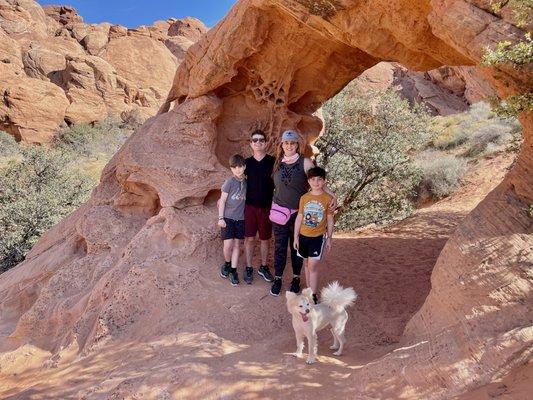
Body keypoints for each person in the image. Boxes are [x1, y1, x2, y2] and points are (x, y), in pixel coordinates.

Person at [269, 130, 315, 297]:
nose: (289, 146)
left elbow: (317, 182)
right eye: (286, 143)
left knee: (296, 248)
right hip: (279, 214)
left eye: (292, 143)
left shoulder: (305, 162)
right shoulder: (276, 163)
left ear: (297, 145)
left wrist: (332, 196)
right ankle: (278, 278)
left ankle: (296, 278)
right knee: (280, 248)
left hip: (298, 214)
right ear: (282, 144)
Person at [293, 167, 334, 304]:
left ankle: (313, 296)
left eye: (319, 179)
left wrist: (329, 237)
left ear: (324, 181)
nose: (316, 182)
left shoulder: (328, 199)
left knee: (313, 266)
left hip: (318, 237)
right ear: (308, 181)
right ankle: (308, 291)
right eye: (313, 179)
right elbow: (299, 217)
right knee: (306, 263)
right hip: (303, 236)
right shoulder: (304, 198)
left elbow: (329, 219)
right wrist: (295, 236)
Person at [243, 130, 275, 284]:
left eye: (261, 140)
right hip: (249, 207)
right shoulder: (246, 163)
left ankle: (263, 266)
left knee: (265, 239)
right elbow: (237, 181)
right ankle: (249, 267)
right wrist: (224, 197)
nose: (258, 142)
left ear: (266, 142)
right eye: (254, 140)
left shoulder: (273, 161)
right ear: (250, 143)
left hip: (267, 207)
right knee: (249, 238)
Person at [218, 154, 247, 286]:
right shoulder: (229, 182)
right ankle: (227, 263)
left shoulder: (247, 182)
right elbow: (222, 200)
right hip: (228, 218)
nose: (238, 169)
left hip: (241, 219)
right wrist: (221, 218)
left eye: (240, 166)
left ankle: (234, 271)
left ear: (244, 167)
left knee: (237, 245)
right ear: (231, 169)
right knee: (228, 245)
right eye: (234, 167)